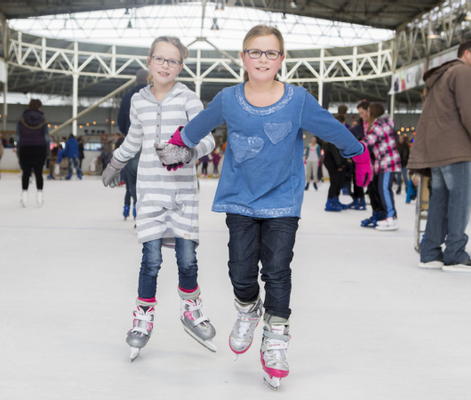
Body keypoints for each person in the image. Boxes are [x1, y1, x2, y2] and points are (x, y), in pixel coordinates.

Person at [153, 25, 371, 390]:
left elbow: (330, 128)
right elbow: (199, 125)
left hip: (283, 200)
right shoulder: (228, 98)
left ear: (281, 59)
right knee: (240, 270)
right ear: (243, 57)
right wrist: (179, 144)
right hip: (240, 197)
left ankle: (276, 340)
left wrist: (359, 154)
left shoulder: (298, 100)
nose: (263, 59)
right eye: (255, 52)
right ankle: (248, 308)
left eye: (271, 53)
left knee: (277, 269)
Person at [100, 36, 218, 361]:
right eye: (160, 59)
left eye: (173, 60)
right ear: (149, 61)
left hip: (182, 192)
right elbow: (133, 140)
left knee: (187, 258)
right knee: (150, 259)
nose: (165, 65)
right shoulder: (138, 101)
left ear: (181, 66)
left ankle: (191, 309)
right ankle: (143, 317)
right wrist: (115, 163)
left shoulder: (189, 99)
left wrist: (187, 149)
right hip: (150, 191)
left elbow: (208, 140)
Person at [409, 39, 471, 272]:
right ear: (467, 54)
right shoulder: (464, 71)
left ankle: (430, 252)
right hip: (455, 147)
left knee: (440, 200)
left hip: (436, 148)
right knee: (461, 199)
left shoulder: (441, 76)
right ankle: (455, 253)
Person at [361, 103, 401, 231]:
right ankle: (389, 215)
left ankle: (391, 217)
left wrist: (354, 147)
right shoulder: (385, 123)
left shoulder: (379, 124)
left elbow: (369, 140)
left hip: (387, 162)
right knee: (383, 189)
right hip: (386, 162)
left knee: (384, 189)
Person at [117, 69, 149, 220]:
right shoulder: (153, 96)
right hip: (149, 144)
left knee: (132, 179)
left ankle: (132, 207)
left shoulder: (127, 98)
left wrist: (129, 134)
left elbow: (120, 122)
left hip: (133, 144)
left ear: (136, 81)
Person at [16, 99, 51, 207]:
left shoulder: (22, 119)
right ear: (39, 107)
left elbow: (18, 137)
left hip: (25, 147)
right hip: (39, 148)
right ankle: (39, 197)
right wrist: (47, 151)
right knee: (39, 173)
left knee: (26, 173)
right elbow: (46, 137)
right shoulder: (43, 120)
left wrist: (18, 150)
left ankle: (24, 196)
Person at [346, 101, 370, 212]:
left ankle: (364, 201)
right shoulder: (359, 126)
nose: (360, 115)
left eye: (362, 112)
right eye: (359, 113)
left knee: (373, 185)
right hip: (360, 158)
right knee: (357, 179)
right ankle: (359, 199)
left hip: (373, 159)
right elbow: (348, 133)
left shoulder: (375, 125)